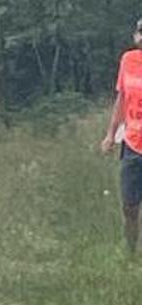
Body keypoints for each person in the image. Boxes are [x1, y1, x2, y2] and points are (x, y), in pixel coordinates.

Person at [101, 18, 142, 254]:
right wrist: (110, 134)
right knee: (129, 205)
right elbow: (121, 98)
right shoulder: (128, 60)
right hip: (132, 142)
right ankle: (130, 250)